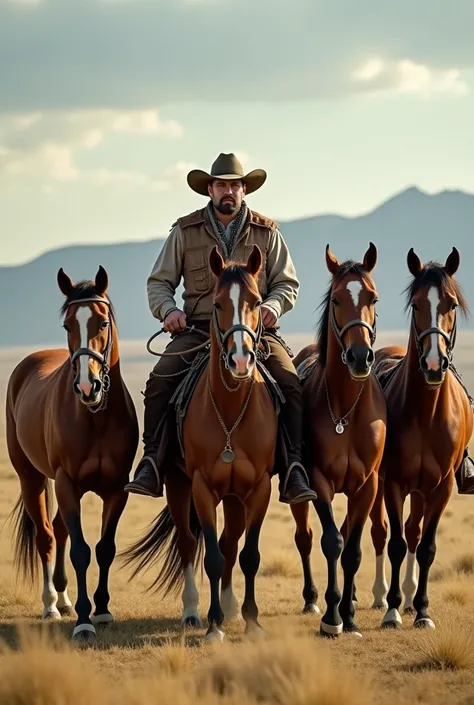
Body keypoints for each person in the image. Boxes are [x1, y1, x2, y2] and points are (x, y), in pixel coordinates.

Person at [124, 152, 318, 505]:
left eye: (234, 185)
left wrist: (273, 307)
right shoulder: (185, 231)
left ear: (244, 190)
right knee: (159, 381)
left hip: (255, 332)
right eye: (220, 185)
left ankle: (293, 467)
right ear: (209, 189)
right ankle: (152, 461)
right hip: (198, 329)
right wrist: (168, 311)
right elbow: (158, 283)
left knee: (290, 382)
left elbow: (287, 283)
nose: (227, 191)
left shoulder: (267, 232)